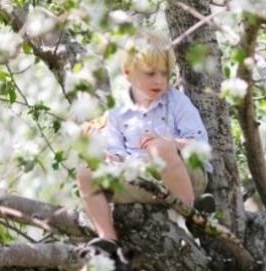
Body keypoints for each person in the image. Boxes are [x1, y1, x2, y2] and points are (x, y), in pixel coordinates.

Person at [77, 30, 214, 242]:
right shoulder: (116, 114)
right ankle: (107, 239)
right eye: (150, 73)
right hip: (143, 185)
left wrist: (170, 143)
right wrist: (95, 149)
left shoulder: (177, 102)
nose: (159, 80)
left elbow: (200, 146)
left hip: (185, 178)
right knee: (85, 173)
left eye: (165, 73)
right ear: (128, 73)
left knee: (157, 148)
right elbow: (115, 158)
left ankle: (191, 214)